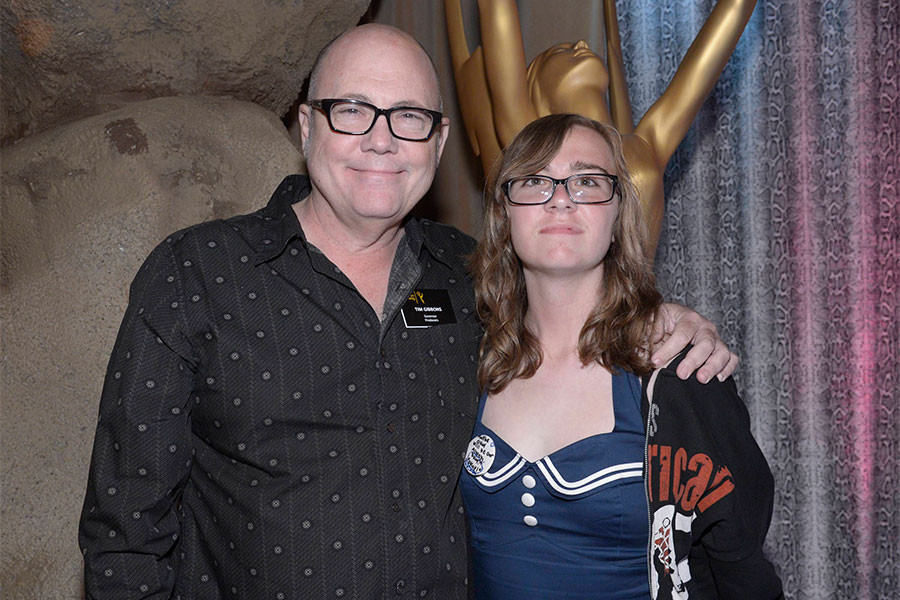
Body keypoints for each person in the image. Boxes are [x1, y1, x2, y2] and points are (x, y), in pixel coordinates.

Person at [79, 25, 738, 599]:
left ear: (439, 138)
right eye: (353, 111)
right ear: (306, 125)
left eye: (408, 117)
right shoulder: (200, 274)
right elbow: (125, 532)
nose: (382, 140)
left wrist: (668, 319)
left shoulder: (471, 278)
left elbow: (576, 308)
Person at [462, 114, 782, 599]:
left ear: (618, 216)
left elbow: (742, 570)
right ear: (505, 215)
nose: (561, 198)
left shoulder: (677, 373)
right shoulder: (465, 358)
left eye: (588, 181)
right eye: (534, 180)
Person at [445, 0, 757, 254]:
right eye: (560, 51)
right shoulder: (533, 148)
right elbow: (497, 12)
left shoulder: (645, 143)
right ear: (537, 92)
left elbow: (718, 40)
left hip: (635, 322)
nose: (581, 43)